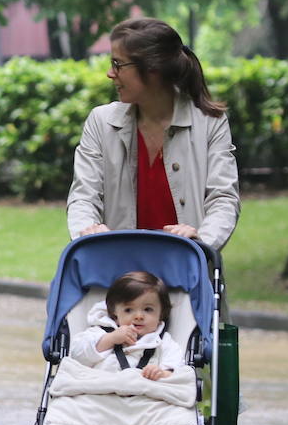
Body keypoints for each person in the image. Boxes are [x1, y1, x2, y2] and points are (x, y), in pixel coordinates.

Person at [67, 17, 240, 250]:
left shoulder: (210, 123)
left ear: (153, 70)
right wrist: (88, 232)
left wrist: (201, 242)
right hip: (118, 277)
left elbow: (223, 200)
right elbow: (84, 197)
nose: (110, 73)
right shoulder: (101, 122)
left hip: (185, 275)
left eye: (118, 64)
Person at [70, 271, 184, 380]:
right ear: (115, 312)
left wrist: (162, 373)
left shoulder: (164, 342)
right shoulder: (101, 332)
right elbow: (77, 356)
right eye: (128, 310)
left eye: (148, 309)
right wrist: (110, 339)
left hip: (144, 394)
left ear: (161, 314)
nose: (139, 316)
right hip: (101, 390)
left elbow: (177, 370)